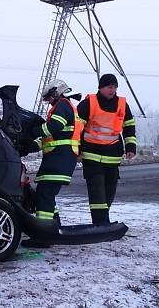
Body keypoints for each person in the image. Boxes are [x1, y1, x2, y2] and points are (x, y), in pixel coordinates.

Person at [22, 79, 83, 248]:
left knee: (44, 195)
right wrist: (30, 146)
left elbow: (53, 127)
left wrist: (32, 131)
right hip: (59, 158)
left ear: (56, 92)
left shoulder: (62, 105)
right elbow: (51, 138)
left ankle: (43, 237)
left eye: (48, 98)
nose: (47, 102)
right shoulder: (64, 106)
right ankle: (54, 229)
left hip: (60, 158)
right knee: (47, 195)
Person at [77, 74, 136, 225]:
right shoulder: (89, 103)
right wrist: (77, 150)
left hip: (113, 157)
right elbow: (77, 129)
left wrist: (131, 147)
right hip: (92, 155)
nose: (113, 90)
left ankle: (103, 221)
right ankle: (100, 223)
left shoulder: (122, 104)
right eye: (109, 87)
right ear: (101, 88)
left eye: (115, 87)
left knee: (109, 192)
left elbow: (129, 127)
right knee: (97, 192)